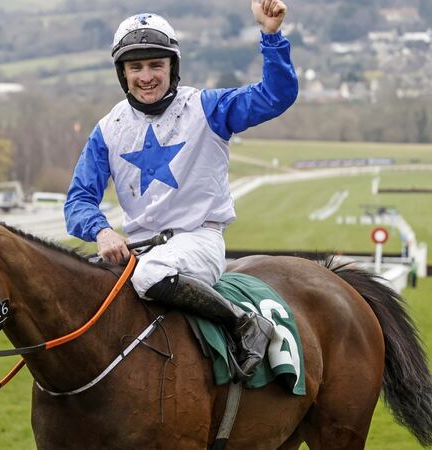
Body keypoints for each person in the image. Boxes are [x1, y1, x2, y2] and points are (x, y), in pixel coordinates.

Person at [64, 1, 298, 380]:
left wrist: (270, 35)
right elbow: (78, 200)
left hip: (197, 241)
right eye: (135, 67)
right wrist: (102, 231)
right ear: (122, 73)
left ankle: (244, 324)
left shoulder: (208, 107)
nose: (146, 76)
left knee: (146, 277)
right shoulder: (108, 129)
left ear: (172, 66)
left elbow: (275, 96)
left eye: (156, 65)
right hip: (138, 251)